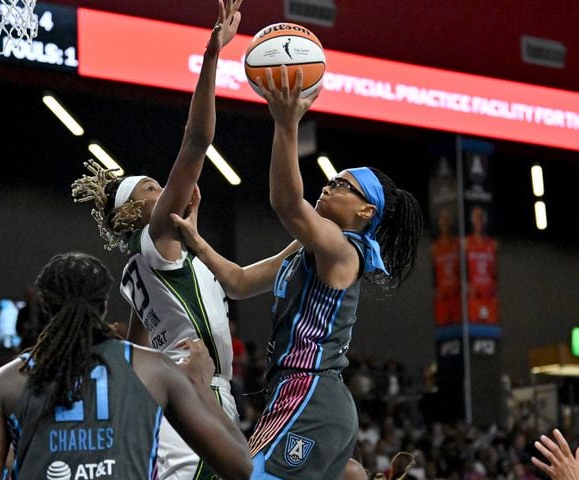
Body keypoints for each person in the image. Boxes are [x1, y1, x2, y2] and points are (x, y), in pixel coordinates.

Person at [171, 66, 423, 479]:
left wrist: (286, 123)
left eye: (343, 186)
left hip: (313, 394)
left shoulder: (345, 250)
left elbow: (287, 203)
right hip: (294, 395)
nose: (328, 186)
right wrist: (197, 242)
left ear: (366, 211)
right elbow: (238, 282)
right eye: (332, 180)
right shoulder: (309, 245)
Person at [71, 1, 244, 478]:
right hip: (194, 391)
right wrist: (212, 57)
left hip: (183, 391)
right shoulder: (157, 234)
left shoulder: (142, 265)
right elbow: (196, 141)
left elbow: (139, 338)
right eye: (153, 188)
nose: (165, 190)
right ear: (134, 211)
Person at [0, 252, 252, 480]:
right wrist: (200, 387)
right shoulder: (154, 369)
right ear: (103, 304)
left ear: (47, 305)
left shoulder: (4, 382)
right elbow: (240, 469)